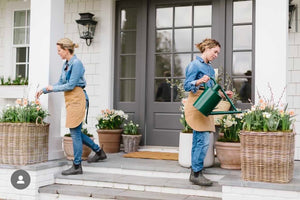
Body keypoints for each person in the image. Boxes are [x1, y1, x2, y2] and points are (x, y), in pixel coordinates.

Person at [35, 38, 107, 176]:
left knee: (74, 132)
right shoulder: (66, 64)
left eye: (59, 50)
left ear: (66, 50)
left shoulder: (77, 63)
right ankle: (99, 151)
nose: (58, 53)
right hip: (70, 99)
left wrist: (52, 88)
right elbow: (60, 82)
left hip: (77, 98)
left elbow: (70, 85)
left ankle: (77, 165)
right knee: (76, 132)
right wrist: (45, 89)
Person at [184, 38, 233, 186]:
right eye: (215, 52)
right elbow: (186, 85)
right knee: (202, 141)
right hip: (197, 105)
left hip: (206, 105)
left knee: (200, 140)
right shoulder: (194, 65)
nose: (216, 55)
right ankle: (196, 174)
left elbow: (211, 90)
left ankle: (195, 172)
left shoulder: (210, 69)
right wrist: (199, 81)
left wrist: (224, 94)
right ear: (207, 48)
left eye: (218, 53)